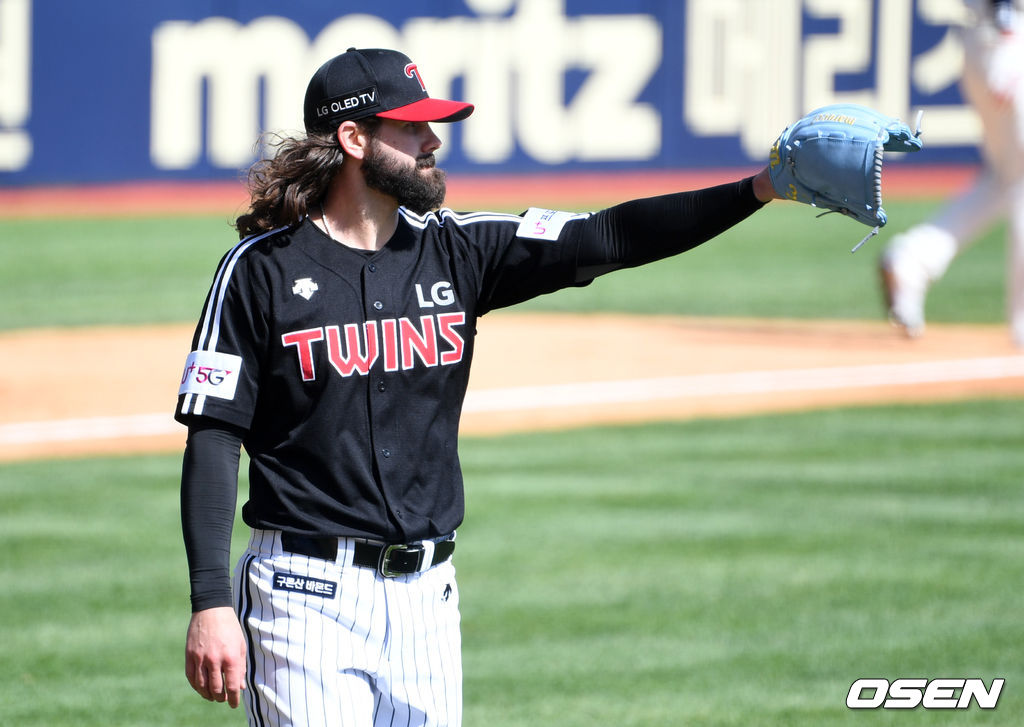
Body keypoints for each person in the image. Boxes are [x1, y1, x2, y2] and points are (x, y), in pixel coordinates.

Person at [175, 47, 779, 726]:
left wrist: (759, 187)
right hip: (303, 598)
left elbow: (605, 235)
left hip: (428, 601)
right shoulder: (259, 272)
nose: (433, 141)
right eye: (412, 128)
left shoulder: (459, 249)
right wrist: (210, 600)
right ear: (354, 138)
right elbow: (214, 436)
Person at [880, 0, 1024, 343]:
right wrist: (1007, 42)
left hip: (995, 37)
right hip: (1007, 35)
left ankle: (913, 258)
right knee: (1017, 179)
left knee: (1004, 179)